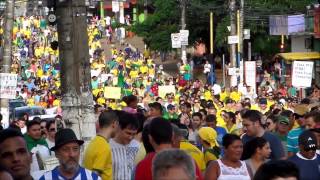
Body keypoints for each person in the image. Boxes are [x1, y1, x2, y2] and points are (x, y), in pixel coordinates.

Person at [83, 110, 118, 180]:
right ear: (114, 124)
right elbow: (95, 175)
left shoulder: (95, 141)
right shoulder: (103, 146)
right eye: (118, 125)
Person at [110, 111, 140, 180]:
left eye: (134, 134)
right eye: (128, 133)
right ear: (119, 128)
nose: (131, 137)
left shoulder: (137, 147)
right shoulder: (108, 147)